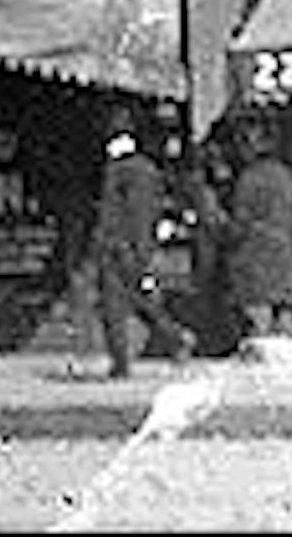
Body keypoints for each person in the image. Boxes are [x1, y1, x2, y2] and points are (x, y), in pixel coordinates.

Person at [89, 105, 196, 379]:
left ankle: (165, 343)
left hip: (123, 247)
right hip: (121, 246)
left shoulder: (131, 171)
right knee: (132, 301)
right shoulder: (130, 169)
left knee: (122, 303)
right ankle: (166, 343)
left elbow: (137, 214)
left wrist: (136, 249)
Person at [226, 116, 292, 345]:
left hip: (254, 256)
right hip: (283, 252)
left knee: (259, 321)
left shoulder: (249, 179)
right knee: (284, 318)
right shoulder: (285, 176)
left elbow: (239, 223)